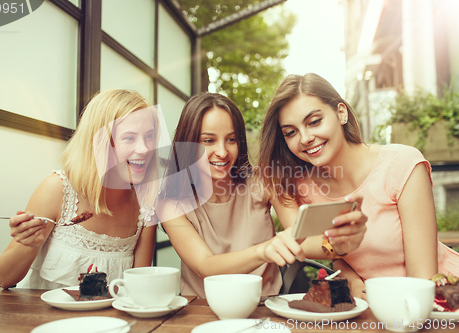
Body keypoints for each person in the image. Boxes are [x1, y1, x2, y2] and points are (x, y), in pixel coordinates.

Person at [258, 73, 459, 300]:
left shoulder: (401, 163)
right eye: (291, 132)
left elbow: (422, 282)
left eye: (314, 121)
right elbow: (317, 245)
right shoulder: (298, 186)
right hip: (372, 309)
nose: (305, 138)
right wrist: (347, 275)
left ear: (341, 113)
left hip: (444, 300)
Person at [156, 92, 367, 298]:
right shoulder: (171, 204)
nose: (222, 152)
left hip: (265, 307)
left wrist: (336, 243)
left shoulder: (264, 181)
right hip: (201, 311)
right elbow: (205, 265)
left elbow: (302, 238)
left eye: (231, 139)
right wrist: (263, 251)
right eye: (208, 141)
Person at [0, 89, 162, 289]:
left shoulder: (146, 205)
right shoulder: (57, 189)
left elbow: (137, 287)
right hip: (42, 319)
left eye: (150, 136)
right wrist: (28, 245)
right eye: (129, 138)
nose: (144, 149)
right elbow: (4, 279)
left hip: (109, 320)